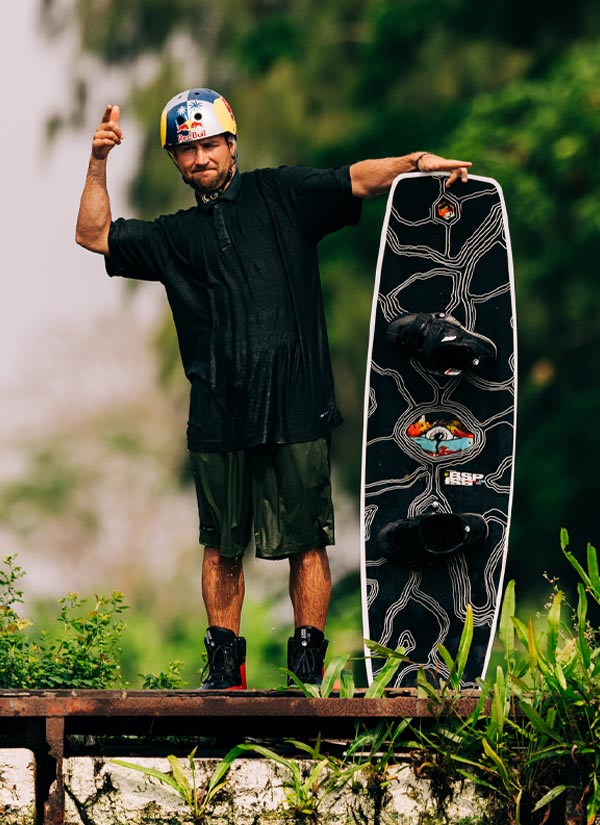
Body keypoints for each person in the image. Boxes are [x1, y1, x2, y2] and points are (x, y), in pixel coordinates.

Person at [76, 87, 472, 690]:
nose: (200, 157)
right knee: (220, 547)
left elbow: (355, 181)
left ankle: (307, 668)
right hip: (218, 410)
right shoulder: (175, 237)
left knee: (306, 543)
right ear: (175, 162)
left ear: (231, 145)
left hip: (295, 402)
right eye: (186, 150)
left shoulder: (280, 194)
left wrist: (414, 163)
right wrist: (99, 160)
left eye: (209, 144)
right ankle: (224, 671)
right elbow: (93, 235)